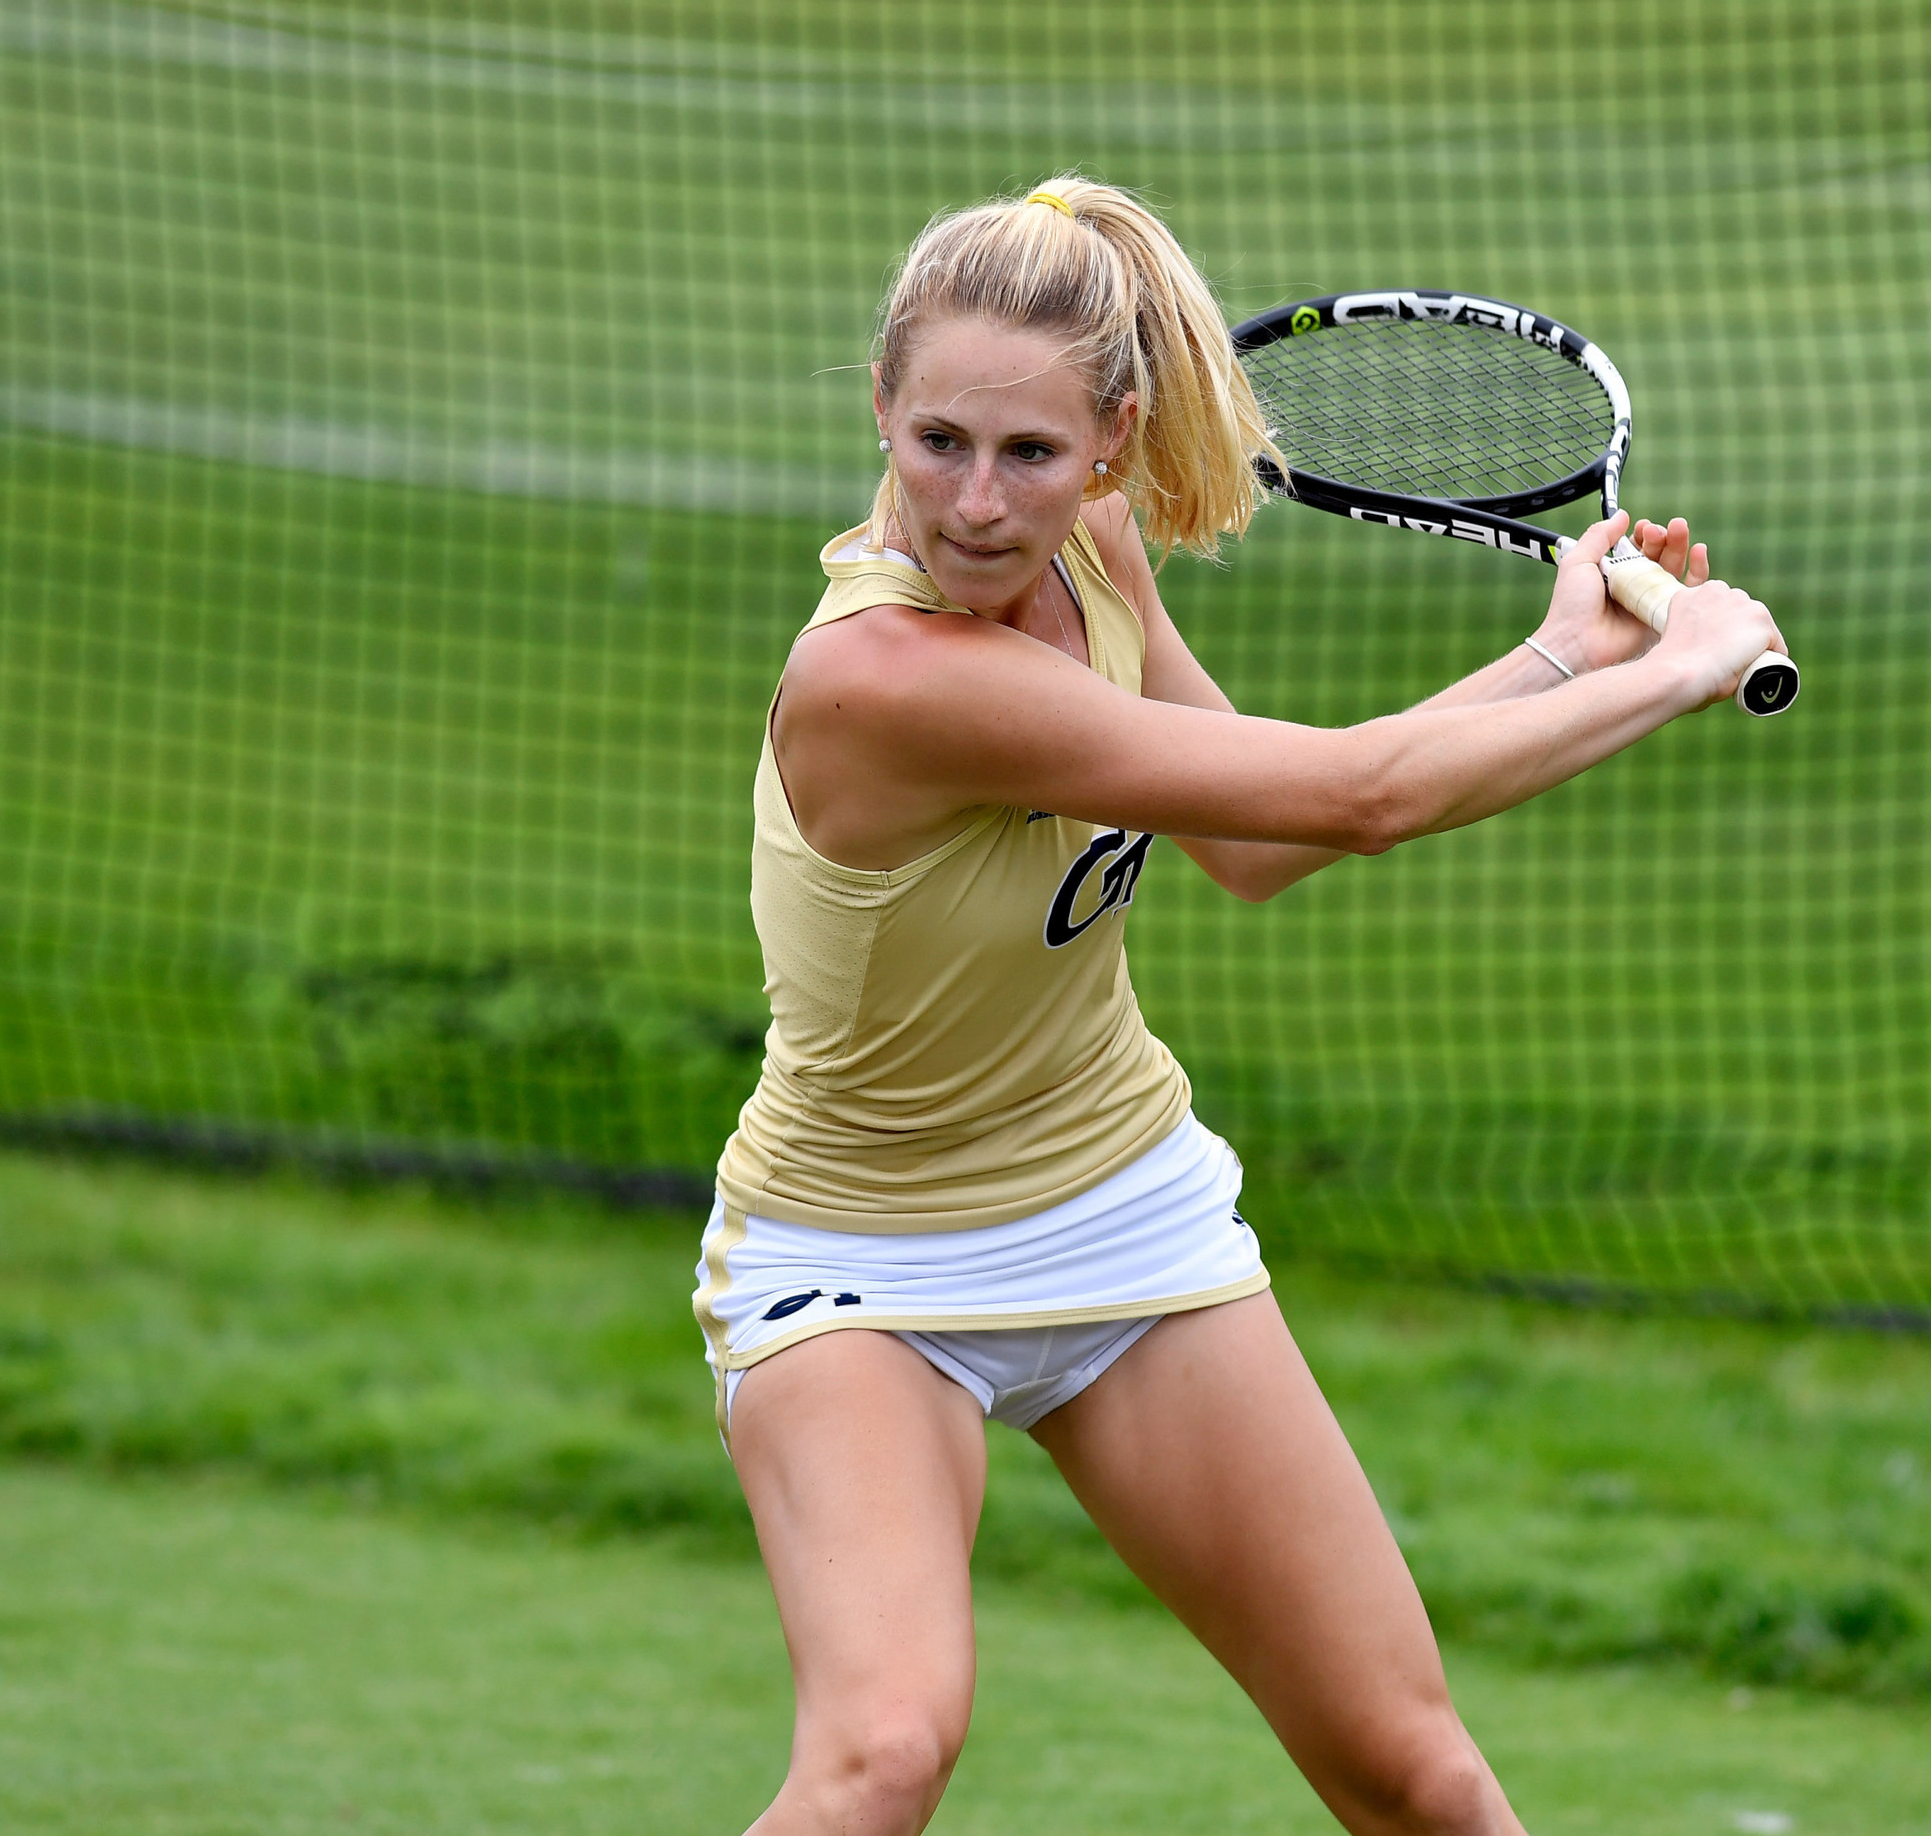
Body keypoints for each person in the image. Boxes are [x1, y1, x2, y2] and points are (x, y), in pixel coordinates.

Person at [692, 176, 1787, 1836]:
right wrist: (1668, 668)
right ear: (880, 411)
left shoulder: (1101, 555)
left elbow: (1259, 840)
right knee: (882, 1754)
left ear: (1112, 445)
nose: (977, 504)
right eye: (937, 443)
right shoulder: (886, 679)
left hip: (1123, 1209)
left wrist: (1571, 655)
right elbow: (1357, 798)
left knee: (1415, 1771)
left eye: (1031, 456)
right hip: (862, 1262)